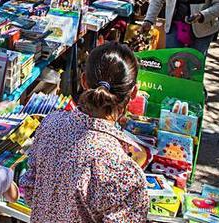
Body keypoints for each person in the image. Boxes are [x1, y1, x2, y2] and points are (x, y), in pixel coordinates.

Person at [19, 42, 149, 223]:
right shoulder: (125, 172)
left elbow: (29, 187)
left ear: (84, 81)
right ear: (134, 92)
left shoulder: (50, 125)